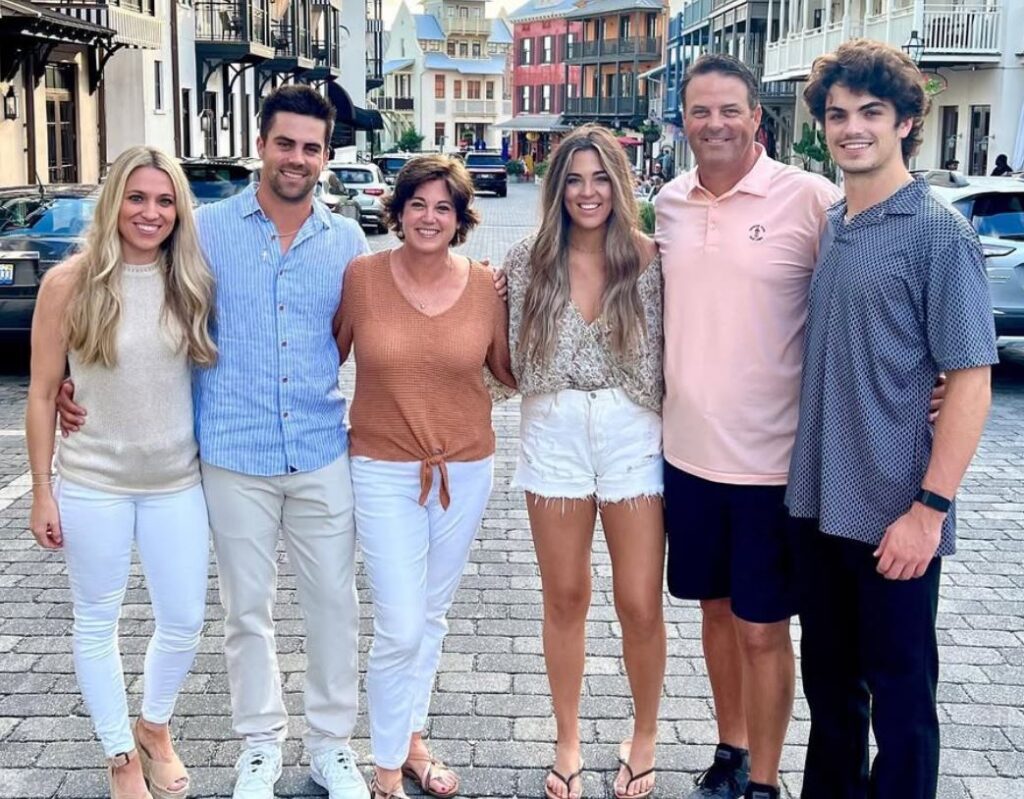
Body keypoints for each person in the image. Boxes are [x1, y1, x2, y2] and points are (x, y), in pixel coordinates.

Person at [57, 85, 373, 799]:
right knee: (245, 612)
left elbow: (348, 341)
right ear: (261, 144)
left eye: (311, 148)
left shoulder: (348, 242)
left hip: (321, 449)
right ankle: (259, 745)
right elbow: (139, 313)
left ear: (327, 156)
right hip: (231, 454)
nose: (297, 158)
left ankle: (331, 745)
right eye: (285, 142)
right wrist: (77, 390)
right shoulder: (203, 231)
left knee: (334, 603)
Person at [788, 40, 997, 799]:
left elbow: (971, 382)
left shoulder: (939, 234)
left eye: (871, 112)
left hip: (895, 516)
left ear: (906, 120)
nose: (852, 128)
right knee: (832, 698)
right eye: (838, 115)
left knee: (903, 706)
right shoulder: (835, 223)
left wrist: (929, 511)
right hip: (818, 507)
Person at [654, 54, 841, 799]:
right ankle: (730, 749)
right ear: (685, 120)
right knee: (715, 612)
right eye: (700, 110)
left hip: (772, 464)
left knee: (764, 628)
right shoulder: (668, 203)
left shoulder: (812, 199)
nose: (715, 123)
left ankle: (765, 779)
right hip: (687, 458)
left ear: (756, 117)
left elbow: (866, 299)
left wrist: (929, 381)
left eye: (729, 109)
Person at [27, 146, 216, 799]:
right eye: (138, 197)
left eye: (165, 201)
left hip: (177, 482)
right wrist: (42, 490)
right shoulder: (68, 284)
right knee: (96, 618)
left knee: (186, 617)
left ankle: (154, 726)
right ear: (113, 202)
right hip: (92, 482)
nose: (151, 212)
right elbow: (43, 392)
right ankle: (118, 755)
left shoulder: (192, 279)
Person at [335, 155, 516, 799]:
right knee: (400, 621)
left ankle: (412, 740)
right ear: (398, 210)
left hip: (465, 469)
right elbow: (312, 360)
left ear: (461, 218)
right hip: (382, 469)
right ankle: (385, 764)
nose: (429, 217)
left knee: (432, 615)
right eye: (418, 204)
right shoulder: (362, 278)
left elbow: (511, 370)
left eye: (444, 207)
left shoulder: (485, 286)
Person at [504, 124, 664, 799]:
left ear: (621, 185)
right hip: (554, 431)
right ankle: (567, 738)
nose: (587, 192)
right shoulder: (524, 263)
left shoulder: (654, 261)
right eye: (574, 179)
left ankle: (646, 734)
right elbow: (495, 358)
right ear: (557, 186)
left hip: (634, 433)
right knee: (565, 596)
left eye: (601, 178)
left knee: (638, 600)